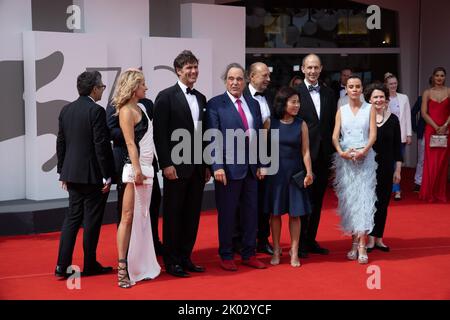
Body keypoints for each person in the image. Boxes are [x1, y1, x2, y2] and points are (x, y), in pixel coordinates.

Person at [153, 50, 209, 278]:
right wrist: (166, 164)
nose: (193, 71)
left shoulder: (202, 98)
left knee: (192, 215)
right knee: (173, 215)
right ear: (178, 70)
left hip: (197, 168)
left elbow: (203, 134)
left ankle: (186, 256)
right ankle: (171, 260)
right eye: (189, 68)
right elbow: (159, 134)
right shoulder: (165, 96)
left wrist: (206, 165)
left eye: (195, 67)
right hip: (175, 167)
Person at [206, 63, 266, 271]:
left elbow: (258, 136)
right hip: (227, 171)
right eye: (231, 79)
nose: (235, 82)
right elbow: (212, 137)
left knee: (251, 214)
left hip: (250, 169)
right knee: (228, 215)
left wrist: (261, 163)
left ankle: (249, 254)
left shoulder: (253, 104)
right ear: (225, 81)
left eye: (239, 79)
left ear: (245, 81)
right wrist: (217, 166)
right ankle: (227, 255)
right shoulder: (215, 104)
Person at [55, 71, 114, 278]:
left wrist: (62, 171)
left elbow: (60, 142)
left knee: (72, 219)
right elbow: (101, 145)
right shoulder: (96, 111)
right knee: (92, 220)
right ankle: (89, 264)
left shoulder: (66, 110)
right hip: (92, 176)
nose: (102, 91)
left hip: (71, 174)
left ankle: (61, 267)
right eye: (102, 87)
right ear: (94, 89)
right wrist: (107, 175)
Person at [113, 69, 161, 288]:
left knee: (143, 218)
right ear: (134, 88)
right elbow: (130, 143)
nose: (146, 88)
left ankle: (141, 266)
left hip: (147, 169)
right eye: (143, 85)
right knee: (128, 216)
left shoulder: (141, 107)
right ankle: (122, 269)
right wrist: (136, 170)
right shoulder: (125, 111)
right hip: (135, 170)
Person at [106, 97, 164, 256]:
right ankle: (126, 251)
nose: (145, 88)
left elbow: (153, 130)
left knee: (153, 202)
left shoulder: (147, 104)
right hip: (127, 162)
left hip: (147, 161)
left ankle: (153, 242)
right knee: (126, 209)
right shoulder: (115, 106)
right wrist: (134, 130)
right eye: (142, 84)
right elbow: (111, 131)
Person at [264, 87, 313, 267]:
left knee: (295, 214)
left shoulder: (301, 124)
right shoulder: (270, 123)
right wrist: (261, 166)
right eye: (293, 102)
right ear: (283, 103)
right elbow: (261, 149)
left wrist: (309, 172)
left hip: (295, 174)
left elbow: (306, 151)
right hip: (275, 174)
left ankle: (294, 250)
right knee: (275, 214)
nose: (296, 105)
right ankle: (276, 249)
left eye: (298, 102)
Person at [294, 54, 336, 258]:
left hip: (324, 154)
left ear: (321, 69)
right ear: (302, 69)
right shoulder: (295, 93)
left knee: (318, 200)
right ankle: (300, 243)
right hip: (303, 155)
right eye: (309, 67)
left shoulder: (330, 93)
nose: (312, 71)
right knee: (303, 200)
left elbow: (332, 125)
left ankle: (311, 240)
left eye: (316, 68)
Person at [332, 75, 377, 264]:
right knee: (350, 201)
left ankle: (361, 244)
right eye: (351, 86)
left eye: (358, 86)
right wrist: (341, 152)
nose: (355, 89)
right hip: (346, 161)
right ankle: (353, 242)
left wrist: (363, 151)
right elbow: (335, 136)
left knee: (365, 200)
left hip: (365, 159)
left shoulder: (370, 109)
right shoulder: (341, 110)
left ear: (362, 89)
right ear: (346, 89)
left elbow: (373, 135)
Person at [365, 83, 402, 253]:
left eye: (381, 97)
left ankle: (379, 238)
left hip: (387, 168)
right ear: (369, 100)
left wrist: (398, 170)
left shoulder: (394, 119)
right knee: (369, 203)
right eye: (375, 97)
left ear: (386, 99)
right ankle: (370, 239)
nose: (379, 100)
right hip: (367, 168)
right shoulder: (365, 118)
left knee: (383, 204)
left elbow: (397, 148)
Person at [241, 62, 273, 255]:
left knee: (264, 201)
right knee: (242, 202)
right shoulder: (240, 97)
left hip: (267, 155)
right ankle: (242, 240)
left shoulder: (270, 96)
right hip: (245, 157)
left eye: (268, 75)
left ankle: (262, 239)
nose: (268, 79)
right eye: (264, 76)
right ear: (251, 77)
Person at [419, 67, 450, 203]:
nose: (439, 78)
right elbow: (424, 113)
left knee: (443, 163)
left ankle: (439, 193)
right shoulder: (427, 92)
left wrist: (444, 126)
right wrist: (436, 126)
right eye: (437, 75)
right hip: (431, 130)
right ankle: (429, 193)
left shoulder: (449, 91)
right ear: (433, 77)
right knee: (431, 163)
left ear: (445, 77)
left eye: (442, 75)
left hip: (446, 131)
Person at [384, 72, 412, 200]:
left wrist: (409, 134)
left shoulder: (404, 97)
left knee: (398, 164)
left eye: (395, 83)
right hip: (386, 135)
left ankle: (396, 189)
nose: (393, 86)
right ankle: (386, 187)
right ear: (386, 85)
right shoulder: (382, 98)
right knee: (387, 163)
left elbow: (407, 116)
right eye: (391, 84)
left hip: (400, 136)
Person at [411, 77, 433, 192]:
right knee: (422, 158)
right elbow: (413, 112)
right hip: (424, 132)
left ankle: (432, 182)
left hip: (439, 133)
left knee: (435, 159)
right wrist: (415, 127)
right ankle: (418, 182)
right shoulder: (421, 99)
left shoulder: (445, 98)